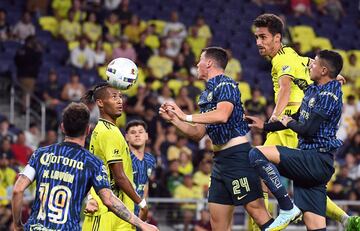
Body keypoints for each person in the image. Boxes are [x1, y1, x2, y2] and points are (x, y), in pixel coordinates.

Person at [250, 13, 358, 231]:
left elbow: (285, 87)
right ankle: (345, 219)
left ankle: (284, 210)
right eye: (256, 37)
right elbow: (308, 62)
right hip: (306, 133)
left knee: (256, 169)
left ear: (277, 38)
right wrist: (333, 76)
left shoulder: (281, 60)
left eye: (263, 37)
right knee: (308, 190)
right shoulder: (290, 53)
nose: (258, 43)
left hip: (293, 123)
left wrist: (274, 118)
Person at [159, 47, 273, 231]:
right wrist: (174, 119)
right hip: (219, 162)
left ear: (209, 63)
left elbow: (222, 115)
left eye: (200, 60)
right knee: (217, 222)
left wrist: (185, 116)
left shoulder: (226, 84)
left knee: (257, 212)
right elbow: (197, 133)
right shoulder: (205, 95)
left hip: (238, 157)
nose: (197, 64)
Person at [11, 102, 158, 231]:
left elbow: (18, 190)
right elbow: (109, 200)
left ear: (62, 127)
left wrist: (17, 225)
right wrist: (141, 224)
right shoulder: (92, 163)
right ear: (88, 130)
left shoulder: (40, 154)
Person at [81, 83, 149, 231]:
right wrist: (141, 203)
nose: (120, 101)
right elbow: (119, 176)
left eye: (120, 96)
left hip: (119, 210)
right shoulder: (108, 132)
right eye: (114, 97)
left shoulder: (106, 129)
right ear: (100, 103)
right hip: (107, 211)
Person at [125, 120, 156, 222]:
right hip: (122, 211)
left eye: (140, 132)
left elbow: (145, 183)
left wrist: (144, 206)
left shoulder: (150, 159)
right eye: (133, 132)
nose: (137, 135)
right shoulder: (123, 158)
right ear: (126, 137)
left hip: (139, 211)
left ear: (146, 136)